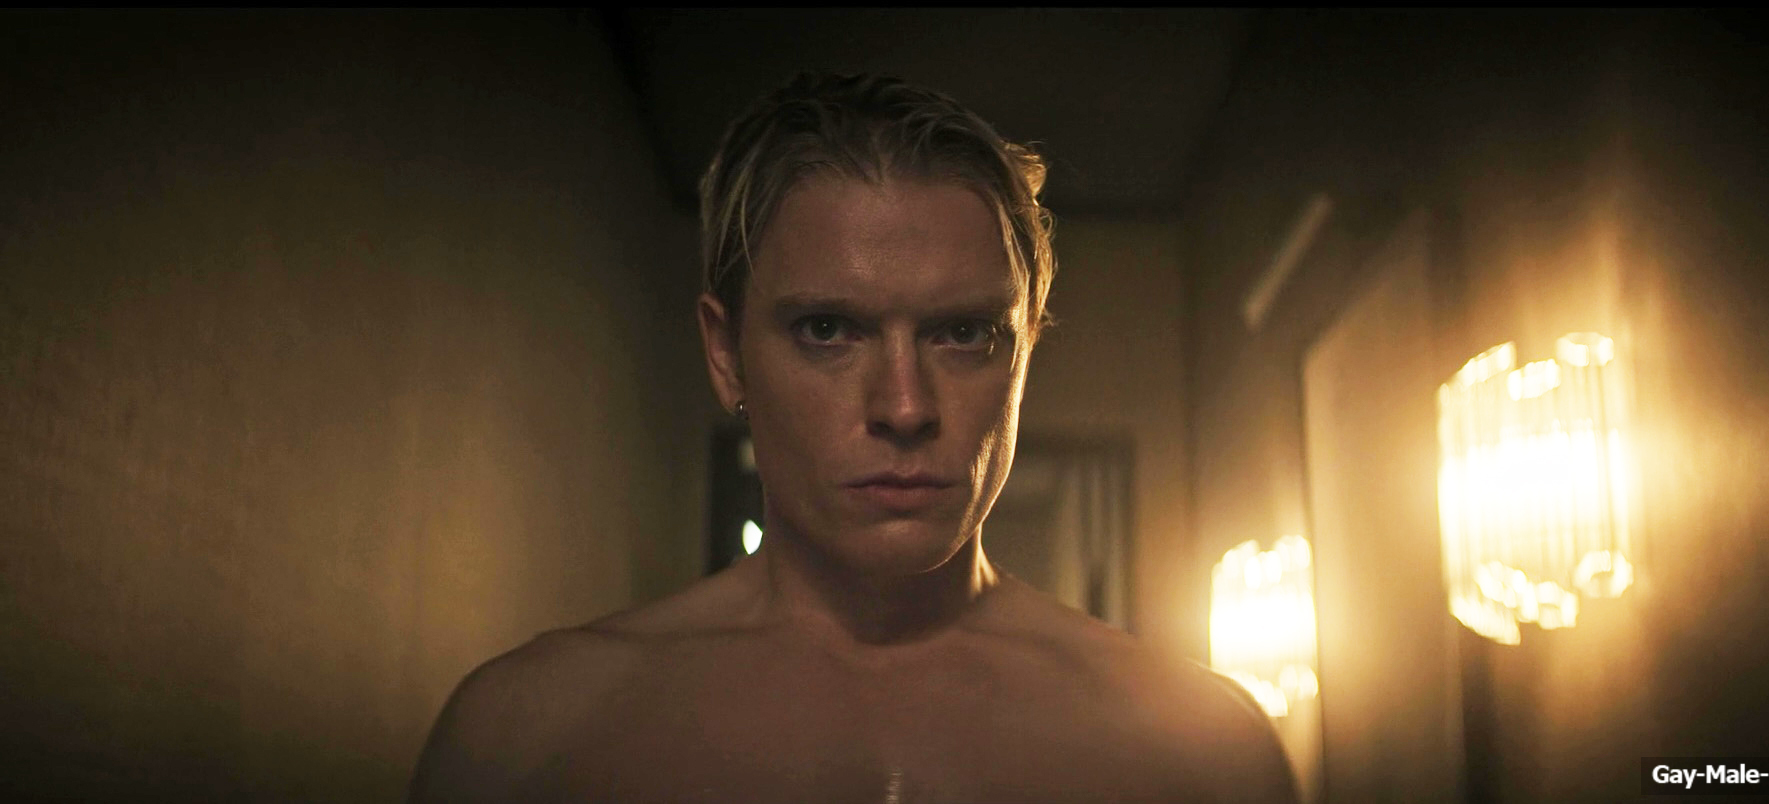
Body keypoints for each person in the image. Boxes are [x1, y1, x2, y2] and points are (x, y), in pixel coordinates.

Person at [410, 72, 1299, 803]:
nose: (904, 407)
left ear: (1025, 350)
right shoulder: (526, 738)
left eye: (963, 334)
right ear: (725, 355)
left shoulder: (1203, 753)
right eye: (828, 330)